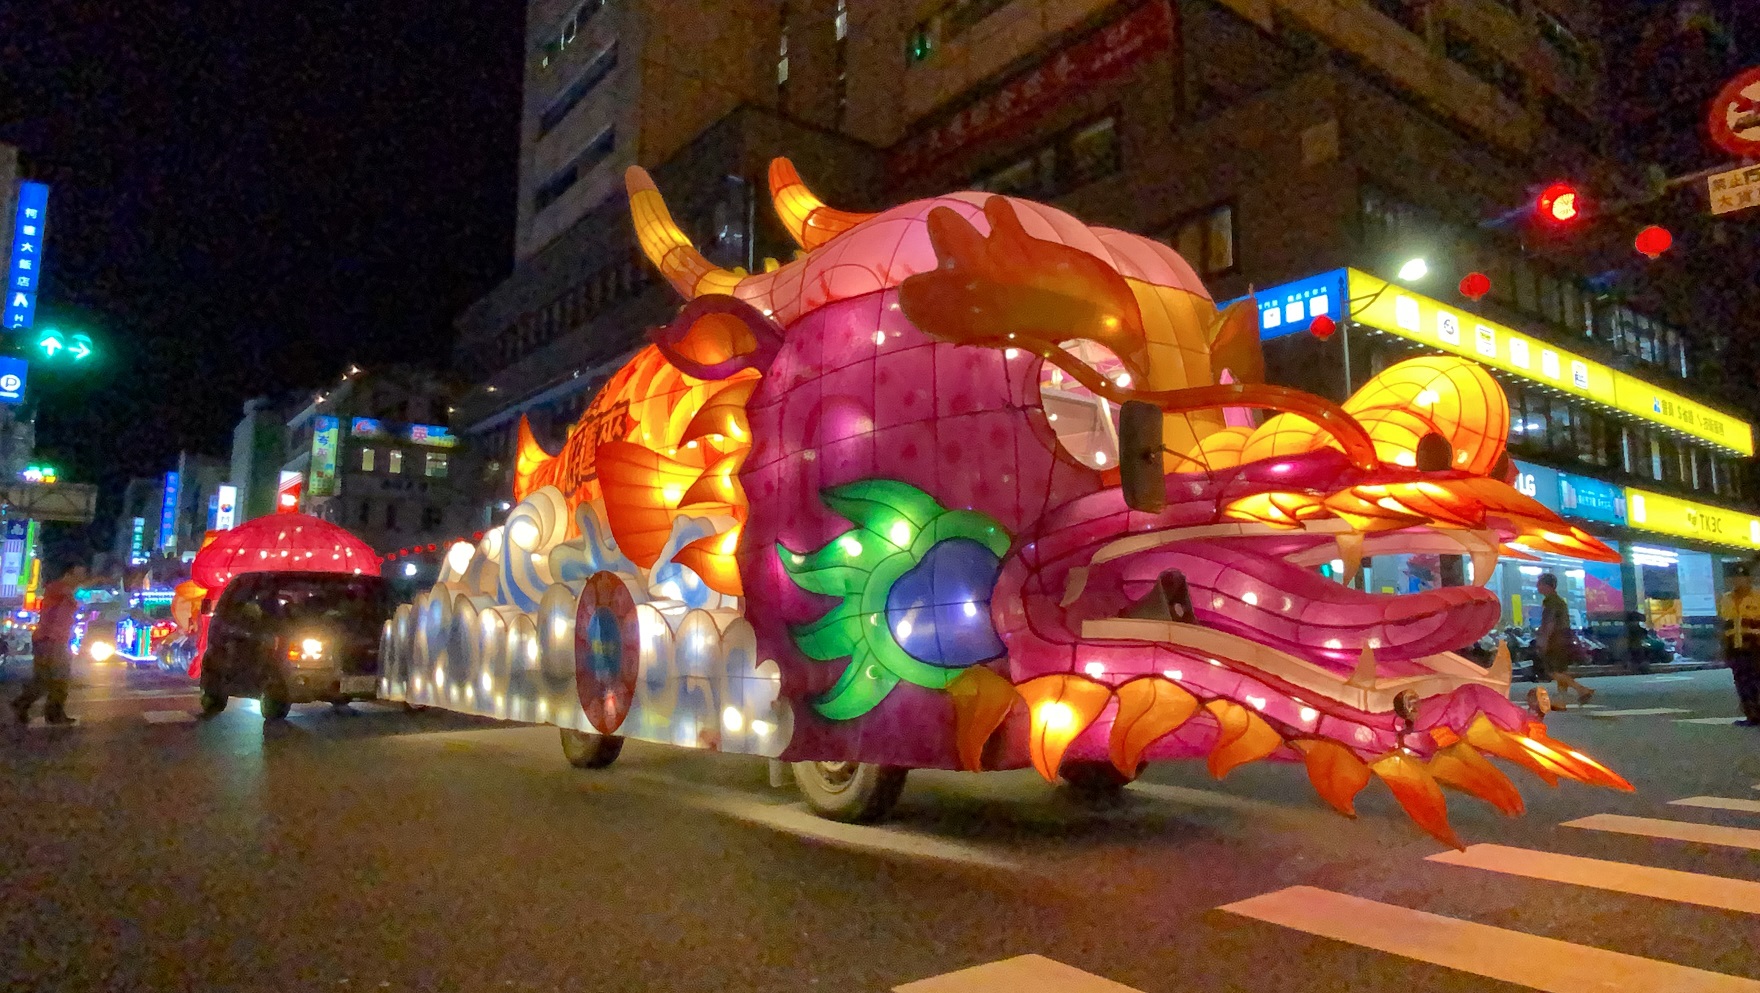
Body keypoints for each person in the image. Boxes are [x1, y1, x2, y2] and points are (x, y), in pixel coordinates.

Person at [12, 561, 90, 726]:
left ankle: (23, 704)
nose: (81, 579)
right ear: (68, 574)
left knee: (44, 679)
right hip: (50, 640)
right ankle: (52, 713)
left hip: (53, 640)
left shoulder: (66, 591)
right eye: (78, 575)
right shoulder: (57, 588)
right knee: (59, 678)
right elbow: (70, 594)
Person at [1535, 573, 1593, 708]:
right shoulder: (1559, 601)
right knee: (1561, 671)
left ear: (1547, 586)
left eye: (1539, 584)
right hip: (1564, 638)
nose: (1537, 587)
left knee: (1552, 671)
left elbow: (1550, 622)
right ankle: (1562, 701)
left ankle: (1582, 689)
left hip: (1556, 639)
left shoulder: (1550, 601)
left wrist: (1544, 640)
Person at [1716, 563, 1760, 728]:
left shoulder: (1757, 597)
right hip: (1735, 648)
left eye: (1741, 577)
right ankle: (1752, 716)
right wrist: (1722, 648)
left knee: (1757, 682)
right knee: (1742, 683)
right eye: (1734, 578)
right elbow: (1723, 625)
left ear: (1749, 579)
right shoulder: (1725, 599)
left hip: (1756, 647)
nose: (1737, 581)